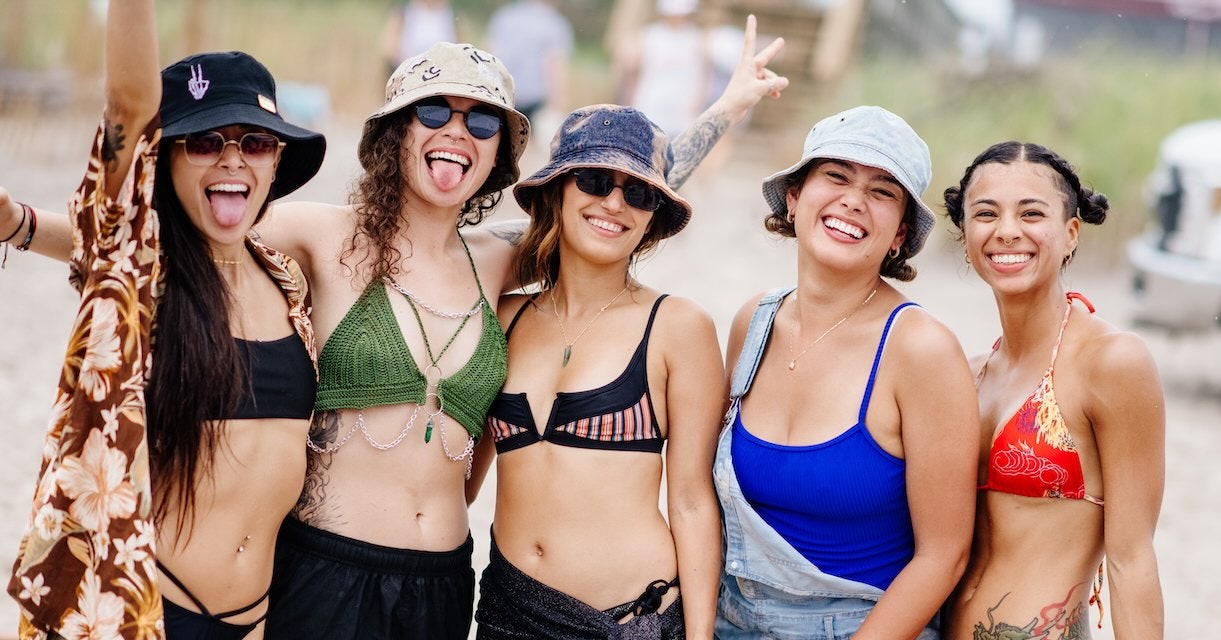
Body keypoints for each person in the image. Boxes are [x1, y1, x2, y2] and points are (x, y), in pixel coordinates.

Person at [10, 16, 786, 638]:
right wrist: (17, 224)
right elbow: (155, 243)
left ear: (501, 157)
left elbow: (610, 199)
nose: (458, 130)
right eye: (434, 111)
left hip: (448, 583)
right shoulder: (319, 235)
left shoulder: (500, 264)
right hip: (324, 569)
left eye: (482, 120)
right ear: (395, 133)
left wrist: (726, 109)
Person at [2, 0, 326, 638]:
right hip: (145, 614)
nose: (232, 160)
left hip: (261, 618)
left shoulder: (289, 282)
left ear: (276, 161)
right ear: (165, 162)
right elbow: (128, 104)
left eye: (255, 142)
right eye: (204, 141)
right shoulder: (145, 274)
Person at [714, 106, 979, 638]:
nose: (854, 199)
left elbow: (945, 555)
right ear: (794, 199)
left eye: (883, 191)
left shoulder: (921, 350)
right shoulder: (753, 324)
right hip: (732, 621)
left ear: (900, 233)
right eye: (836, 176)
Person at [472, 105, 723, 638]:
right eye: (593, 180)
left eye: (638, 193)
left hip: (624, 619)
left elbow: (693, 500)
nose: (614, 203)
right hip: (508, 611)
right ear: (557, 190)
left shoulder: (676, 326)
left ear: (653, 215)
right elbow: (462, 476)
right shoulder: (505, 316)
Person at [941, 142, 1165, 639]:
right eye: (985, 213)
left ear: (1070, 233)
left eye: (1031, 213)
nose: (1006, 230)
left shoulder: (1110, 362)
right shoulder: (971, 373)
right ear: (965, 235)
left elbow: (1132, 560)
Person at [616, 0, 710, 138]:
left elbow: (703, 75)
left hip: (682, 111)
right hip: (649, 105)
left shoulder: (697, 39)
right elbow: (633, 74)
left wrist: (698, 103)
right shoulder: (649, 35)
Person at [485, 0, 573, 134]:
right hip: (536, 102)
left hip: (503, 96)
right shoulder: (555, 24)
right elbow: (555, 69)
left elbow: (490, 58)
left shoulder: (505, 16)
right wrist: (558, 109)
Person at [382, 0, 458, 76]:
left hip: (441, 75)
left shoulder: (453, 16)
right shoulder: (403, 12)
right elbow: (388, 49)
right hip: (408, 74)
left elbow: (458, 51)